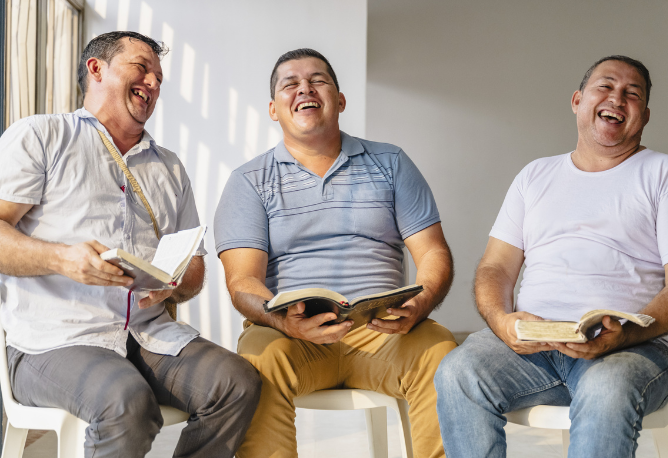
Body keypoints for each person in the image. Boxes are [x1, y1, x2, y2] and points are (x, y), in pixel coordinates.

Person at [434, 55, 668, 457]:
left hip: (631, 348)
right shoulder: (535, 176)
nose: (617, 97)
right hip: (535, 348)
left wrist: (629, 333)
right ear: (578, 100)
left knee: (606, 389)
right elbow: (495, 266)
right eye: (606, 86)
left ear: (645, 116)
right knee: (459, 370)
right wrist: (503, 321)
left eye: (631, 93)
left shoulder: (667, 175)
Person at [0, 31, 261, 458]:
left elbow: (194, 268)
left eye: (159, 77)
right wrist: (62, 259)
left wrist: (172, 283)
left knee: (237, 383)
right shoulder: (42, 136)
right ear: (96, 69)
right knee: (128, 402)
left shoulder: (169, 167)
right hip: (52, 341)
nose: (154, 83)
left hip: (146, 333)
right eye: (141, 68)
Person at [215, 48, 458, 458]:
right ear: (274, 109)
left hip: (384, 331)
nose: (304, 89)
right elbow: (242, 282)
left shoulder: (391, 162)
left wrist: (421, 303)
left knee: (441, 352)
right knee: (256, 361)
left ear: (340, 100)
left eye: (318, 80)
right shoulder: (248, 182)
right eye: (290, 84)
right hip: (293, 335)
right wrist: (284, 322)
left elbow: (433, 251)